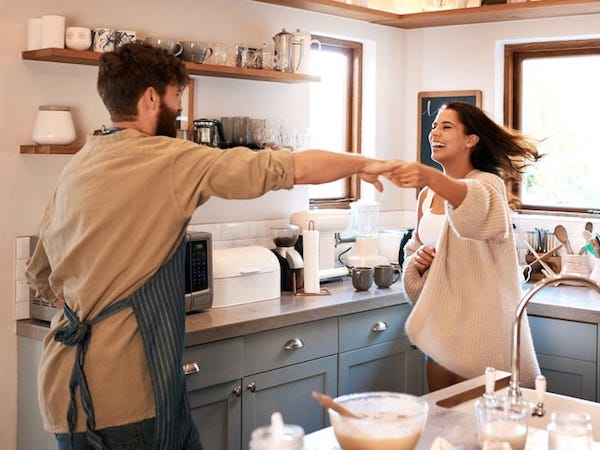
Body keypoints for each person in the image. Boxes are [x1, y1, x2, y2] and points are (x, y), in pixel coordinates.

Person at [25, 42, 400, 450]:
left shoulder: (81, 161)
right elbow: (286, 168)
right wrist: (364, 163)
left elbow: (41, 273)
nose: (179, 109)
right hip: (128, 395)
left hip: (65, 391)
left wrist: (90, 307)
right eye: (176, 97)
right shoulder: (168, 158)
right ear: (151, 97)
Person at [385, 101, 541, 392]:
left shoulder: (488, 185)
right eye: (434, 127)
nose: (434, 134)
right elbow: (412, 253)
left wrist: (430, 175)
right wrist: (416, 263)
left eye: (447, 127)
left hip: (484, 328)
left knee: (482, 425)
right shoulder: (427, 195)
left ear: (471, 139)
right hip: (443, 325)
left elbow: (473, 214)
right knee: (444, 420)